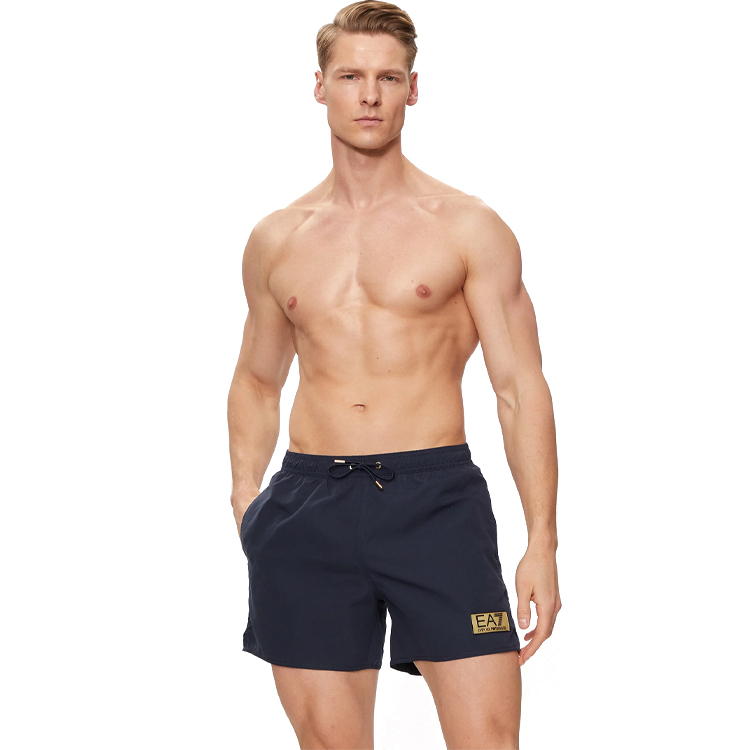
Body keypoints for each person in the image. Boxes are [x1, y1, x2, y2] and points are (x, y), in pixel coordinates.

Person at [227, 2, 561, 747]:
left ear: (413, 88)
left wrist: (542, 539)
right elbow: (256, 378)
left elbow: (519, 388)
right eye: (351, 76)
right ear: (320, 86)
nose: (370, 95)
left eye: (388, 77)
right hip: (306, 505)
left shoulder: (468, 227)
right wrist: (247, 495)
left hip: (434, 502)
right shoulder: (278, 238)